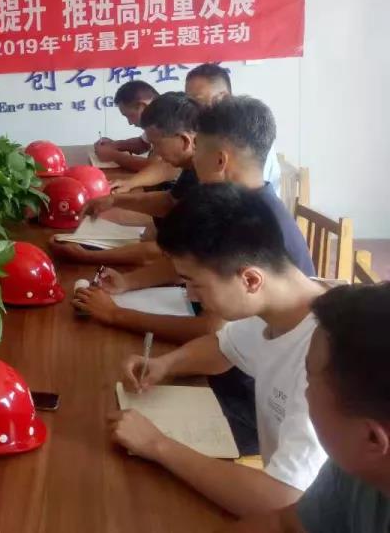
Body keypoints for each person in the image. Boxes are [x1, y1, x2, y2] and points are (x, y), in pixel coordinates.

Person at [108, 184, 328, 517]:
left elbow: (281, 499)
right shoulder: (279, 305)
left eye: (195, 283)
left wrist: (157, 444)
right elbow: (224, 347)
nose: (191, 296)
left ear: (250, 280)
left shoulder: (326, 359)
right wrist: (166, 364)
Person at [75, 96, 315, 343]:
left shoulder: (244, 224)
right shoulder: (243, 203)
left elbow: (210, 329)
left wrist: (115, 314)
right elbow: (189, 263)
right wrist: (127, 282)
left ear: (220, 161)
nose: (193, 156)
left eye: (198, 147)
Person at [226, 283, 390, 532]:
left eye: (309, 378)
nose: (303, 391)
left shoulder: (358, 457)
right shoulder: (354, 468)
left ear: (372, 438)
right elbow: (282, 525)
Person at [52, 92, 200, 270]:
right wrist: (114, 200)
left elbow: (171, 255)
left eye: (157, 145)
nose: (156, 154)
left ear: (184, 141)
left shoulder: (210, 181)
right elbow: (170, 202)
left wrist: (87, 256)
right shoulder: (194, 166)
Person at [114, 64, 281, 195]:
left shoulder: (243, 141)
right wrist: (129, 185)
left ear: (224, 97)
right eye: (188, 99)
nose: (191, 106)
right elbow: (170, 167)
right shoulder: (205, 133)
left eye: (197, 100)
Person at [93, 80, 160, 172]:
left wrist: (113, 156)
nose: (130, 123)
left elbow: (154, 167)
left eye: (130, 115)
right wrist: (114, 145)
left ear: (143, 106)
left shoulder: (167, 120)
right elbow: (143, 144)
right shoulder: (155, 118)